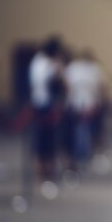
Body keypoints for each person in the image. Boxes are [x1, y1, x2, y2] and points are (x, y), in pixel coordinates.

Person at [29, 36, 64, 184]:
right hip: (47, 104)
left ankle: (42, 171)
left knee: (40, 139)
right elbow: (56, 82)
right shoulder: (49, 64)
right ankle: (46, 171)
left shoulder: (36, 62)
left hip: (37, 103)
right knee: (47, 140)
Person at [63, 50, 105, 169]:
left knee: (83, 130)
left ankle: (81, 154)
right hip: (83, 104)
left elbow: (67, 86)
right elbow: (101, 88)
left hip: (79, 104)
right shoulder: (92, 69)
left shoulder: (74, 68)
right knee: (82, 131)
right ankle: (80, 155)